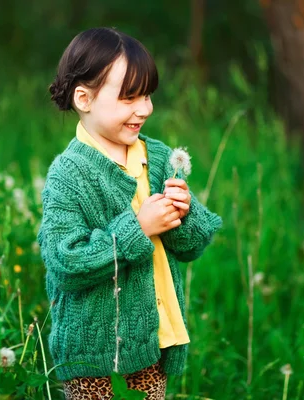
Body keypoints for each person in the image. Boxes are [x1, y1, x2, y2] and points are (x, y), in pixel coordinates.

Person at [37, 27, 222, 399]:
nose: (144, 109)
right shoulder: (69, 174)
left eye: (148, 95)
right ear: (84, 98)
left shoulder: (157, 157)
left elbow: (191, 245)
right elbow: (64, 260)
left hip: (152, 341)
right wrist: (138, 229)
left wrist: (183, 213)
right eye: (129, 97)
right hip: (93, 354)